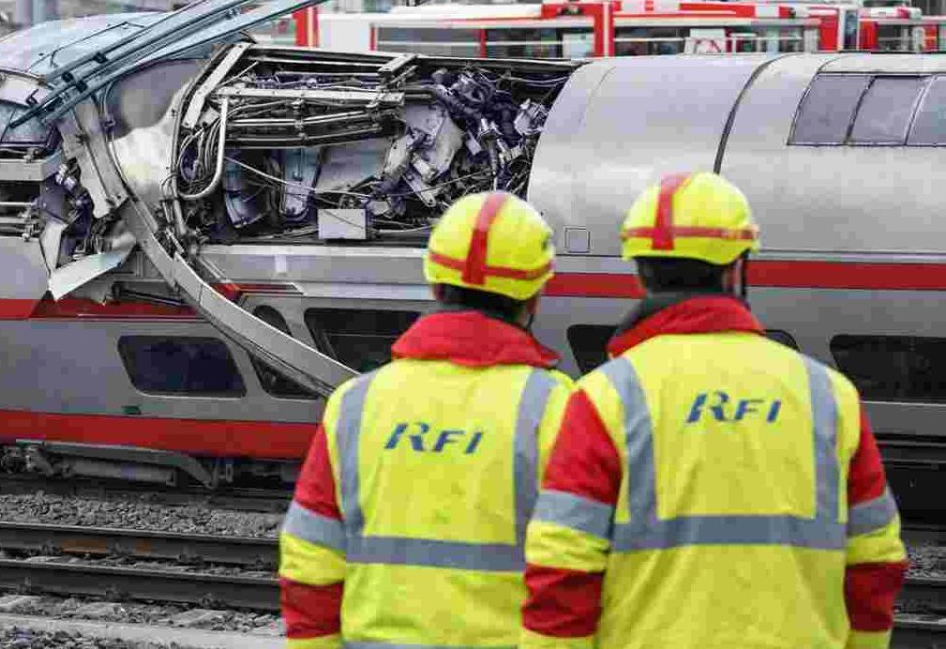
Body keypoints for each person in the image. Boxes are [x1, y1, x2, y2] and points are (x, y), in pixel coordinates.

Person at [521, 171, 908, 649]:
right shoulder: (828, 394)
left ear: (640, 272)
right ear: (737, 268)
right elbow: (874, 561)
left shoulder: (606, 398)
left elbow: (563, 569)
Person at [279, 191, 575, 649]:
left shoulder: (355, 404)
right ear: (535, 296)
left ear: (435, 285)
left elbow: (309, 560)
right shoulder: (557, 408)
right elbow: (574, 573)